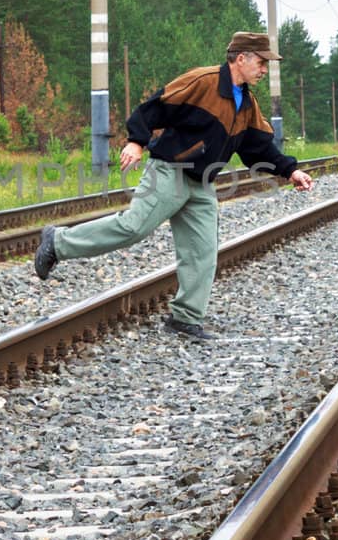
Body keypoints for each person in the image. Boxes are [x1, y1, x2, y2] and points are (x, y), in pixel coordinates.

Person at [33, 31, 315, 340]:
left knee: (203, 252)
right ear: (242, 57)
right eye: (262, 63)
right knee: (133, 228)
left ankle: (185, 318)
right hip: (169, 170)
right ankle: (58, 242)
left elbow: (259, 148)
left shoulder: (247, 103)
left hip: (201, 184)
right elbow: (154, 108)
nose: (264, 70)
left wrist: (290, 172)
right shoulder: (202, 82)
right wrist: (137, 142)